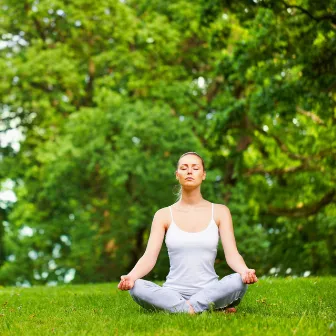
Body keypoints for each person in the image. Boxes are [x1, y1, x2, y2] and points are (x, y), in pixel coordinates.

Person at [117, 151, 258, 314]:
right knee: (137, 287)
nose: (189, 171)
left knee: (238, 282)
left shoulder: (220, 212)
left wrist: (244, 271)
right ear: (177, 175)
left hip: (210, 291)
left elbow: (232, 255)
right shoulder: (163, 215)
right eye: (184, 168)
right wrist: (131, 277)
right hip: (172, 293)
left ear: (203, 175)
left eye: (195, 168)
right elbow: (149, 257)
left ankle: (183, 309)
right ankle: (201, 309)